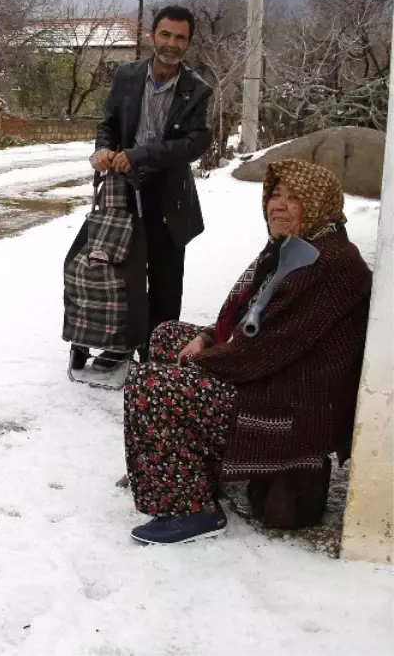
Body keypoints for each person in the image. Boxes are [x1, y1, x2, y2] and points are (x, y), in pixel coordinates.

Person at [122, 159, 372, 545]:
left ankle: (193, 509)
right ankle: (172, 463)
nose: (278, 206)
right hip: (274, 374)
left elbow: (263, 351)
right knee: (167, 336)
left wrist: (200, 359)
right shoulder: (299, 246)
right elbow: (250, 316)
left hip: (289, 404)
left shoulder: (326, 264)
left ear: (317, 203)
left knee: (152, 383)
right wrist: (208, 338)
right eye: (275, 195)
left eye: (294, 198)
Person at [84, 6, 213, 372]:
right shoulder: (127, 75)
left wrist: (140, 155)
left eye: (180, 37)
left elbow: (194, 144)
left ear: (189, 43)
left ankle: (159, 352)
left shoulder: (197, 90)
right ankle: (121, 345)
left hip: (169, 197)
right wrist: (102, 150)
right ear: (152, 35)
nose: (172, 43)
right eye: (166, 34)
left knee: (165, 280)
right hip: (124, 191)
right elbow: (108, 123)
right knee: (122, 274)